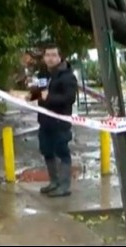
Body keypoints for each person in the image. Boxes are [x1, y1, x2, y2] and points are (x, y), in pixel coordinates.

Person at [30, 44, 78, 198]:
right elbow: (38, 94)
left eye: (53, 55)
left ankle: (64, 186)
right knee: (47, 152)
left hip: (60, 122)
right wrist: (29, 95)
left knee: (62, 153)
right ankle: (54, 182)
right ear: (43, 57)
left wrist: (48, 98)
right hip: (45, 122)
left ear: (59, 57)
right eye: (47, 55)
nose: (50, 58)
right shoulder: (43, 75)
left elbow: (69, 98)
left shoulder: (67, 76)